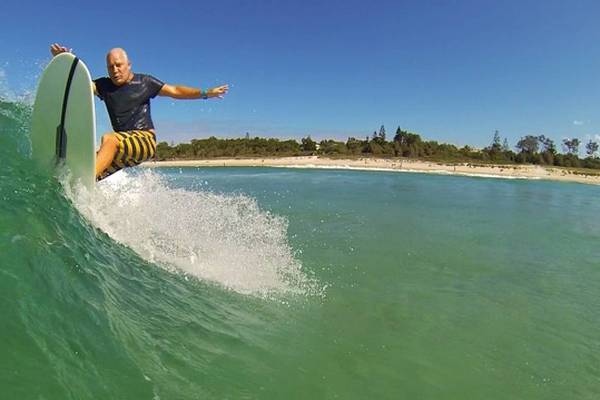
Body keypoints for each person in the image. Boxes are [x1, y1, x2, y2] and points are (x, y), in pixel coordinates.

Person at [50, 43, 229, 180]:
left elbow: (175, 91)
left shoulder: (145, 82)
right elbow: (79, 86)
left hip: (144, 142)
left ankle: (86, 181)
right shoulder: (104, 85)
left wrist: (206, 93)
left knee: (109, 139)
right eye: (110, 67)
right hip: (123, 149)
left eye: (119, 65)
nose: (115, 70)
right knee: (86, 169)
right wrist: (65, 64)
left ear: (129, 65)